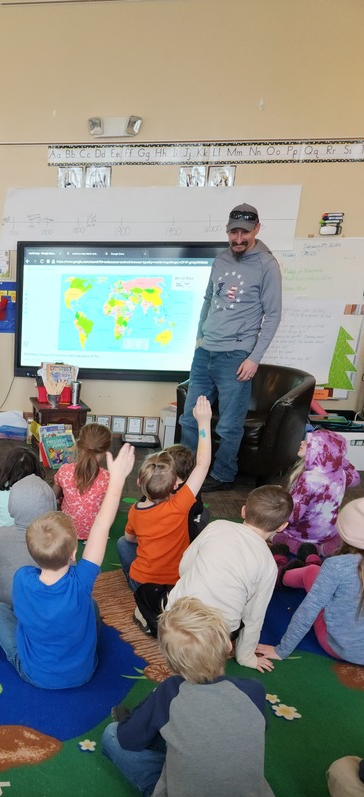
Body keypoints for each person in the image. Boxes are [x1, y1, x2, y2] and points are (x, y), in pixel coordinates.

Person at [101, 597, 277, 797]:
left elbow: (128, 740)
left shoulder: (170, 692)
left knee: (112, 736)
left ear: (169, 663)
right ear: (227, 646)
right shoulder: (254, 690)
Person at [0, 443, 136, 689]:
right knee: (91, 605)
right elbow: (101, 527)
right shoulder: (81, 582)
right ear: (74, 552)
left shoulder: (23, 577)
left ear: (33, 553)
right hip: (84, 670)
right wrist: (117, 480)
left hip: (35, 673)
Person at [178, 203, 282, 492]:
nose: (238, 239)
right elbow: (209, 300)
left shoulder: (267, 266)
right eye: (233, 232)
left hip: (237, 357)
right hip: (205, 352)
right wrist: (199, 338)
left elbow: (272, 315)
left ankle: (222, 475)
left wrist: (254, 359)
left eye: (244, 233)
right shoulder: (221, 259)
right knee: (189, 419)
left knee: (228, 426)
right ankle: (185, 473)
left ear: (257, 229)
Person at [165, 485, 293, 670]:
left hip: (178, 613)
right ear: (282, 526)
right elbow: (253, 616)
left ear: (243, 511)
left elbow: (185, 564)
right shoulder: (268, 564)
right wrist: (246, 657)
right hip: (218, 631)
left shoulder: (217, 526)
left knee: (176, 594)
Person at [118, 396, 212, 594]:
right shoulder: (180, 504)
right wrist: (204, 423)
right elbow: (203, 463)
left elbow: (130, 538)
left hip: (143, 582)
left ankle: (138, 595)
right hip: (177, 583)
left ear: (138, 482)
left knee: (122, 543)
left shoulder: (135, 512)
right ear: (175, 484)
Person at [256, 497, 364, 669]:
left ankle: (280, 573)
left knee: (312, 572)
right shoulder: (339, 566)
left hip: (337, 647)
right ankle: (309, 562)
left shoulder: (337, 566)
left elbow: (308, 611)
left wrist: (281, 650)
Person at [271, 429, 360, 558]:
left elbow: (293, 516)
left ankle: (303, 548)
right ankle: (325, 548)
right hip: (326, 532)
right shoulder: (340, 473)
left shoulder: (309, 478)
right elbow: (356, 478)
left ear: (319, 450)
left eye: (308, 442)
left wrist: (279, 497)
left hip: (304, 534)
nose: (302, 442)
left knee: (268, 528)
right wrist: (338, 458)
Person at [0, 476, 57, 607]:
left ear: (12, 504)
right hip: (43, 612)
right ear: (51, 505)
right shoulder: (60, 541)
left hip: (3, 608)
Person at [53, 422, 112, 541]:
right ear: (105, 451)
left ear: (79, 444)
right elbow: (109, 509)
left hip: (67, 530)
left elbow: (52, 496)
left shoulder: (64, 470)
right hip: (96, 534)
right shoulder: (108, 478)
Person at [0, 446, 45, 529]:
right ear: (35, 469)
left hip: (0, 531)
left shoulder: (0, 483)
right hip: (29, 535)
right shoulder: (40, 488)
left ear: (6, 467)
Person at [165, 443, 210, 541]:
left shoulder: (159, 487)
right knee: (205, 512)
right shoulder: (192, 489)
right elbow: (198, 509)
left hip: (165, 532)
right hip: (187, 536)